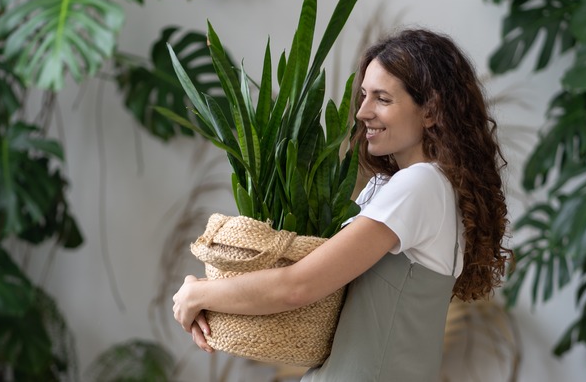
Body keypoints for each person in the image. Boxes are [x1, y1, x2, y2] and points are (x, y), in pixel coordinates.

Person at [173, 28, 512, 381]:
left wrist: (199, 293)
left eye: (382, 98)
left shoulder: (421, 184)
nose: (363, 111)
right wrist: (205, 298)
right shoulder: (406, 187)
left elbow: (297, 287)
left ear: (430, 110)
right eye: (364, 95)